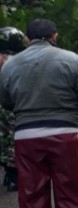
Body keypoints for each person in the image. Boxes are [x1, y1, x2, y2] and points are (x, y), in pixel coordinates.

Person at [0, 18, 78, 208]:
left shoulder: (10, 66)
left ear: (28, 39)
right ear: (55, 36)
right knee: (72, 196)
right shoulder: (71, 59)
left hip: (26, 137)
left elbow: (5, 101)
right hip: (66, 133)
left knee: (32, 197)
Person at [0, 27, 27, 192]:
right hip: (12, 105)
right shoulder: (19, 60)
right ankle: (14, 175)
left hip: (6, 104)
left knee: (7, 140)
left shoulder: (8, 60)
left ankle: (11, 174)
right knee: (12, 140)